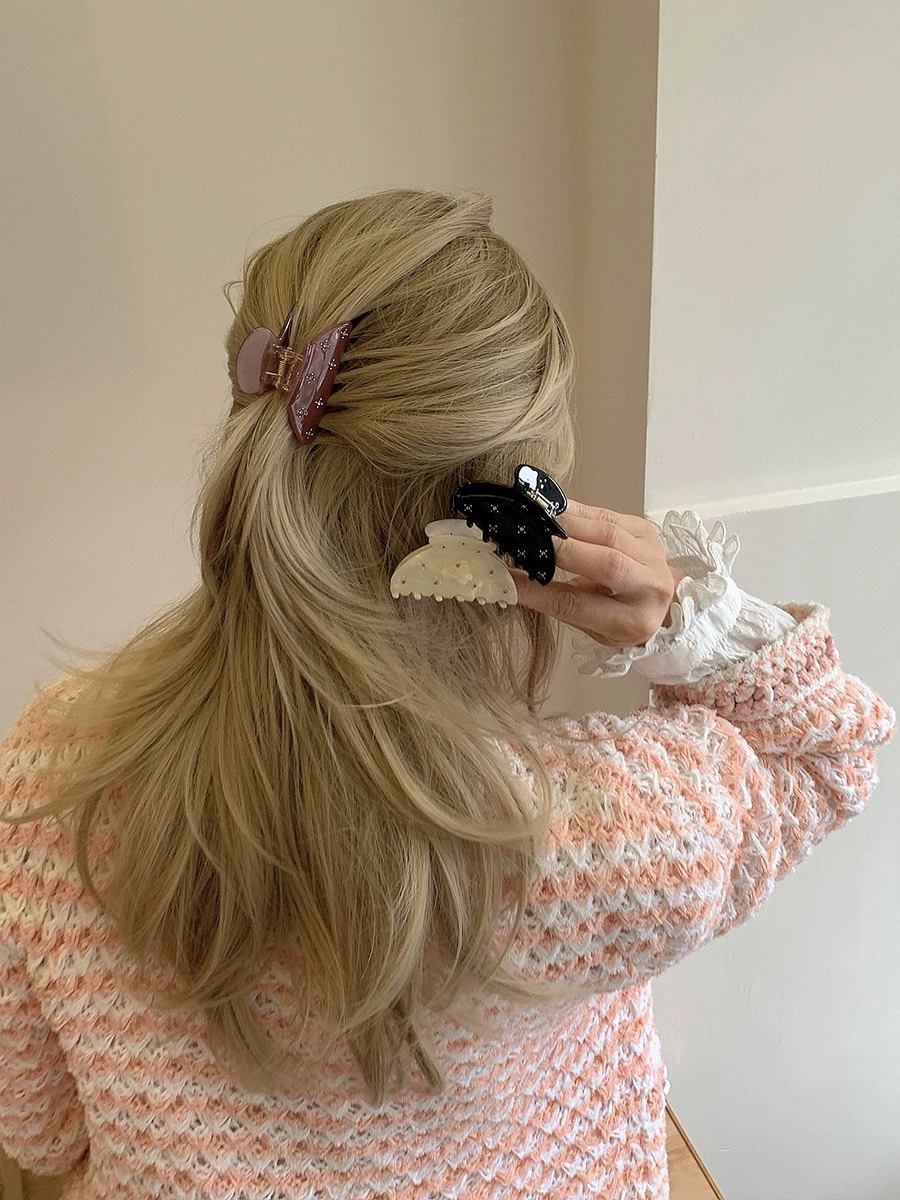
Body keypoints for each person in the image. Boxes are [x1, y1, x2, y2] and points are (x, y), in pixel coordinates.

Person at [0, 188, 894, 1200]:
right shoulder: (600, 837)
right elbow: (828, 750)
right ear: (512, 523)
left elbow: (40, 1124)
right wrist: (679, 616)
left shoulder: (52, 771)